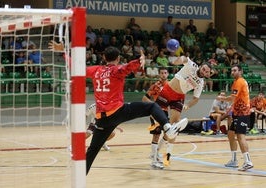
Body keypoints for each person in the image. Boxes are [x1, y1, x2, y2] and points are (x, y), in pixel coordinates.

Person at [48, 42, 188, 175]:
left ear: (103, 58)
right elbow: (129, 67)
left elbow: (76, 68)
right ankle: (168, 128)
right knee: (151, 106)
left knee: (92, 151)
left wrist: (64, 52)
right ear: (118, 58)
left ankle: (79, 179)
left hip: (102, 119)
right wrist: (141, 60)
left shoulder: (96, 70)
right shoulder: (117, 70)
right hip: (117, 112)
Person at [154, 56, 213, 165]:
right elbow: (183, 59)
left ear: (207, 74)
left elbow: (196, 99)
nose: (204, 71)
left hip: (179, 97)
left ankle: (167, 155)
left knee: (174, 128)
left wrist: (188, 106)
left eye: (207, 71)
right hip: (167, 91)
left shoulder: (200, 83)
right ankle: (155, 150)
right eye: (203, 69)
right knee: (158, 121)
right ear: (200, 67)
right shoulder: (192, 66)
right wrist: (178, 61)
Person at [218, 64, 253, 171]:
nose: (232, 72)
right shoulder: (236, 82)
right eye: (232, 70)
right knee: (230, 134)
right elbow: (236, 99)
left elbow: (232, 98)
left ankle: (248, 161)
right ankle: (234, 160)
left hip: (243, 113)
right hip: (237, 112)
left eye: (235, 70)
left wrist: (222, 98)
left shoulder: (239, 82)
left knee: (240, 136)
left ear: (240, 71)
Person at [142, 67, 169, 169]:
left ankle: (156, 152)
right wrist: (154, 105)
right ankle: (154, 161)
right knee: (156, 135)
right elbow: (144, 98)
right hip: (155, 112)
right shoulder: (155, 86)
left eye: (165, 73)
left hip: (165, 112)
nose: (163, 75)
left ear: (167, 74)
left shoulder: (170, 85)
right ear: (159, 74)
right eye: (162, 73)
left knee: (168, 133)